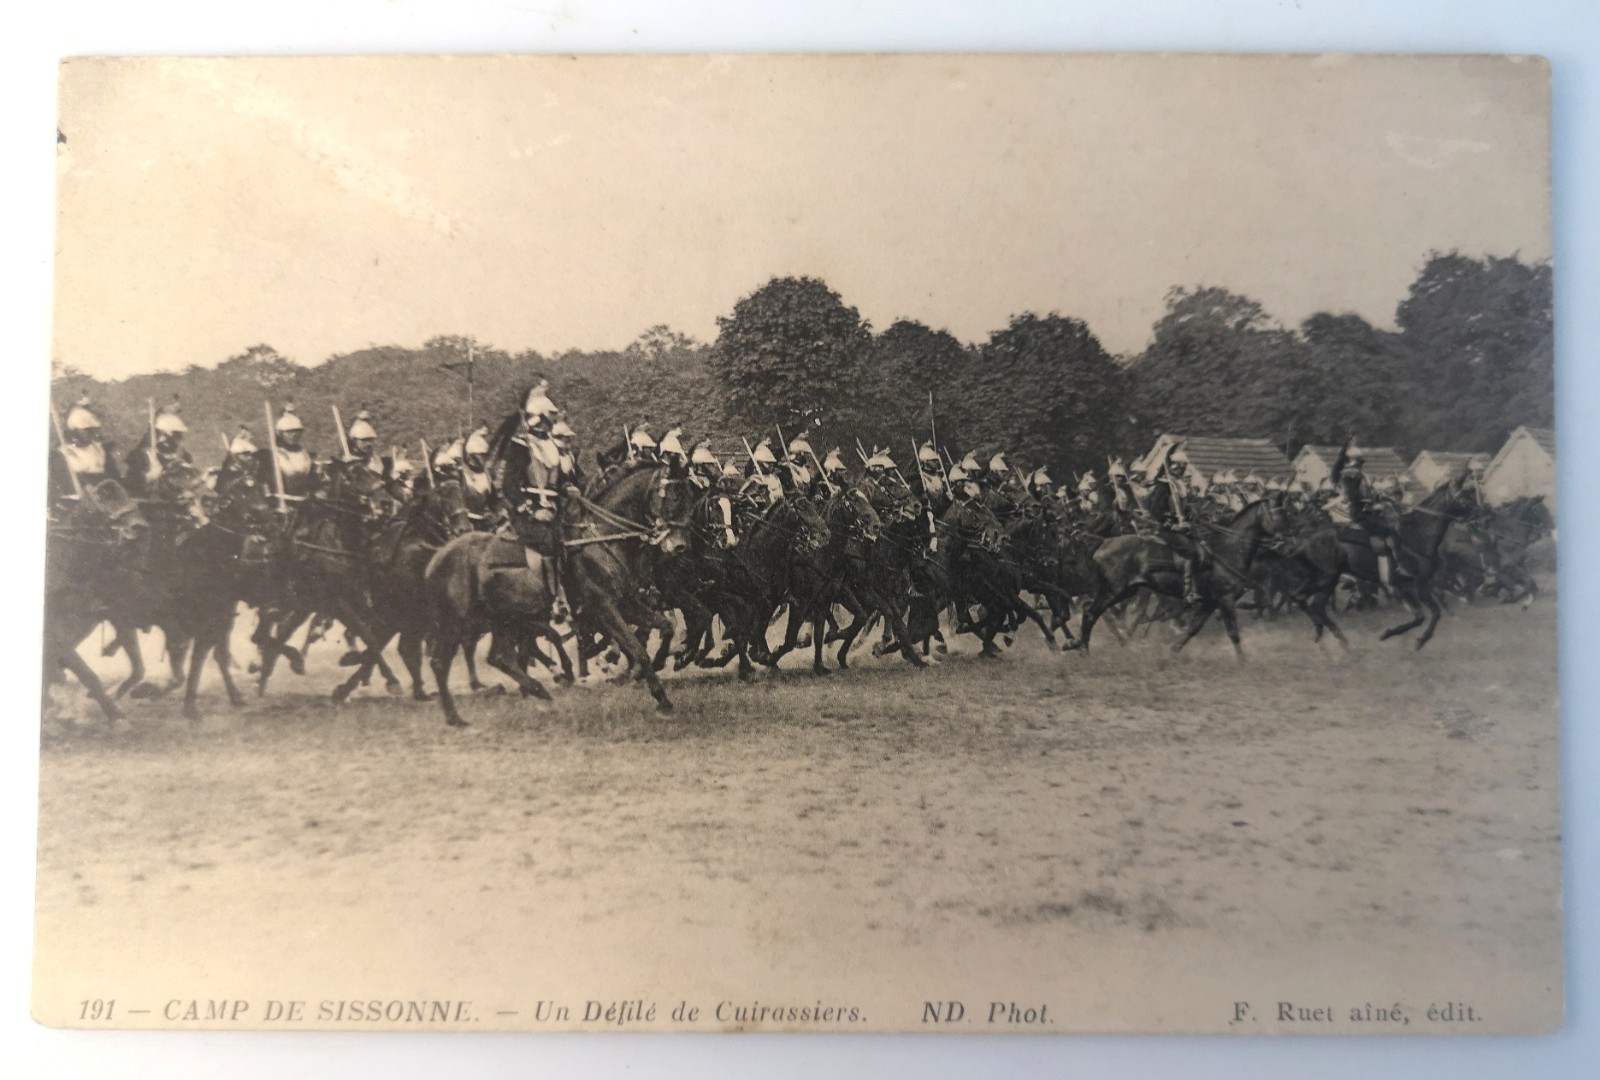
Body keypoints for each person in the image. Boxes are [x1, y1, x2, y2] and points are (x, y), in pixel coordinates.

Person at [1332, 438, 1402, 588]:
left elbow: (1367, 495)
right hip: (1360, 515)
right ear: (1353, 461)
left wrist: (1378, 503)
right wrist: (1370, 507)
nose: (1360, 464)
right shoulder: (1352, 475)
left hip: (1366, 512)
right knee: (1391, 533)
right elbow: (1353, 497)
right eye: (1358, 461)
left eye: (1360, 461)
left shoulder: (1358, 476)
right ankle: (1396, 570)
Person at [1143, 444, 1202, 605]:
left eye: (1184, 467)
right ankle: (1188, 590)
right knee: (1191, 552)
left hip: (1183, 527)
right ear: (1175, 466)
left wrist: (1190, 516)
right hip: (1168, 529)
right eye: (1182, 467)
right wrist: (1171, 525)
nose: (1183, 470)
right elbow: (1155, 508)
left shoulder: (1178, 484)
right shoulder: (1164, 485)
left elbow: (1183, 508)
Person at [49, 396, 120, 508]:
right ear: (75, 431)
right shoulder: (63, 452)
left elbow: (109, 475)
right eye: (85, 430)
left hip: (103, 499)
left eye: (92, 430)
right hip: (76, 502)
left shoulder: (97, 449)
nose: (90, 434)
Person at [124, 402, 193, 500]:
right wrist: (149, 478)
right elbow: (132, 495)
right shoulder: (142, 459)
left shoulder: (181, 461)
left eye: (176, 435)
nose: (166, 439)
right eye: (161, 434)